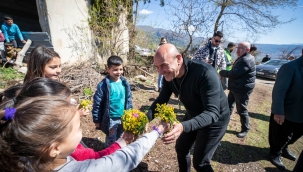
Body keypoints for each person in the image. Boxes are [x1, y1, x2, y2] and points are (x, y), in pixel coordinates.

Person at [0, 97, 170, 171]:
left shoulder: (23, 156)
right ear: (55, 148)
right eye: (78, 128)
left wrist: (8, 114)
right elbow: (128, 157)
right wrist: (158, 131)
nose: (82, 131)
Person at [0, 77, 133, 161]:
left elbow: (20, 112)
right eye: (69, 103)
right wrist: (122, 142)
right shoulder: (69, 150)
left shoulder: (29, 134)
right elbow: (98, 159)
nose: (74, 104)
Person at [148, 44, 230, 172]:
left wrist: (183, 126)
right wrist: (142, 119)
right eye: (157, 67)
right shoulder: (169, 75)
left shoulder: (205, 73)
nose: (160, 72)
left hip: (216, 119)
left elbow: (212, 112)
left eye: (164, 65)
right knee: (181, 148)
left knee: (201, 163)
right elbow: (161, 100)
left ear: (179, 59)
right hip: (193, 113)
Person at [268, 52, 303, 171]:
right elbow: (279, 91)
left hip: (301, 113)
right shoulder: (289, 67)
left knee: (294, 136)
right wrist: (278, 111)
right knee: (280, 136)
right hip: (287, 112)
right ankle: (274, 153)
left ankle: (284, 148)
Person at [92, 55, 133, 147]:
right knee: (111, 139)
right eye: (115, 70)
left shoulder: (125, 84)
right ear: (108, 69)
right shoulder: (103, 85)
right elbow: (97, 103)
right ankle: (108, 156)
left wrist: (131, 114)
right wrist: (96, 119)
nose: (118, 72)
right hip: (110, 119)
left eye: (120, 69)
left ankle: (119, 155)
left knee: (122, 138)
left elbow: (129, 100)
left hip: (123, 117)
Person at [219, 42, 256, 138]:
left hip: (242, 90)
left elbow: (234, 73)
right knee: (228, 106)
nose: (237, 50)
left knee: (241, 109)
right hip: (235, 87)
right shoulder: (242, 58)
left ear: (247, 50)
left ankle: (245, 129)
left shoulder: (246, 60)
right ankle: (223, 122)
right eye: (237, 47)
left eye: (241, 48)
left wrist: (221, 72)